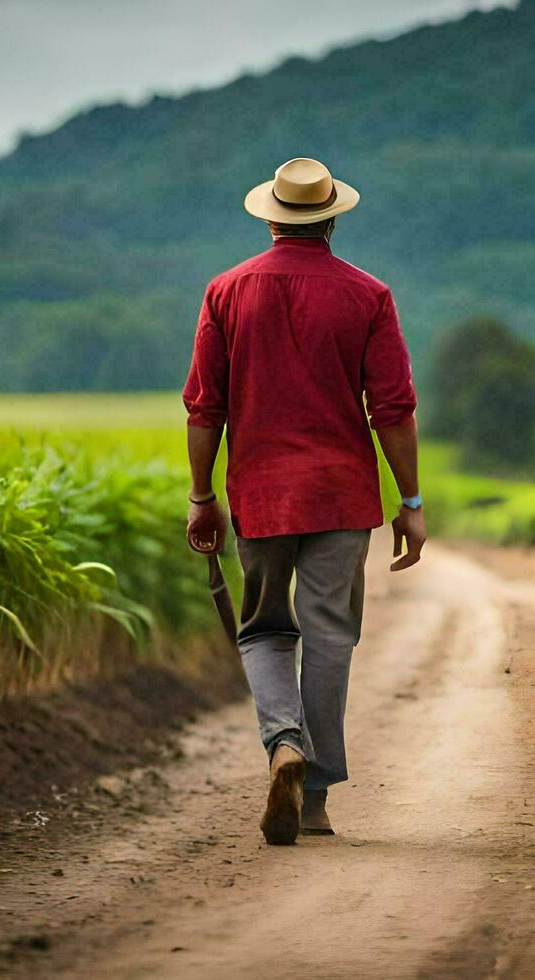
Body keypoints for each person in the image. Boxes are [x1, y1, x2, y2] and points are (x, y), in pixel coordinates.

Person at [182, 157, 426, 846]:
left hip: (260, 492)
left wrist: (203, 497)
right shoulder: (369, 295)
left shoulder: (226, 291)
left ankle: (283, 743)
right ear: (332, 218)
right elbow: (394, 408)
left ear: (271, 217)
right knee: (328, 636)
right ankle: (314, 797)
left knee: (262, 628)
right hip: (342, 494)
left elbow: (205, 407)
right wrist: (409, 500)